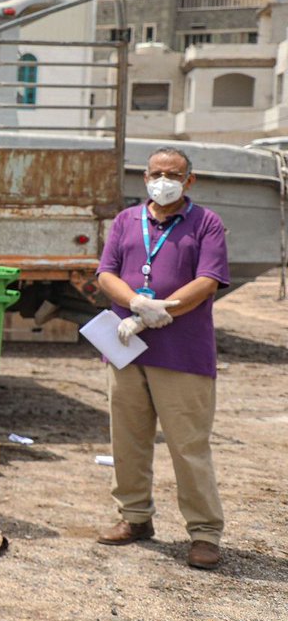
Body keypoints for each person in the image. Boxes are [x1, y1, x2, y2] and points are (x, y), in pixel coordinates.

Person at [94, 146, 229, 571]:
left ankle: (204, 533)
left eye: (173, 174)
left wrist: (162, 310)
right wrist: (135, 302)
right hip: (126, 347)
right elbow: (105, 273)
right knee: (128, 439)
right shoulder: (125, 221)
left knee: (188, 445)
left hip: (182, 351)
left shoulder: (206, 223)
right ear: (145, 178)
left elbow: (208, 280)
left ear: (189, 180)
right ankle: (134, 517)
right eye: (156, 173)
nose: (163, 180)